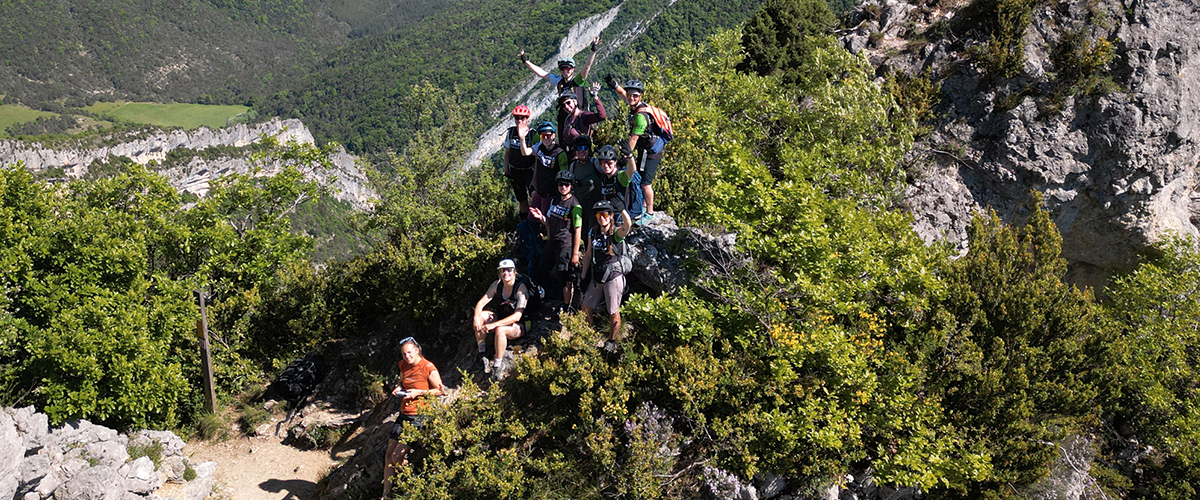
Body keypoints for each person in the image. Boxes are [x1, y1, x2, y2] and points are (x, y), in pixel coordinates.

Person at [382, 337, 444, 499]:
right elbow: (404, 382)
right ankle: (386, 494)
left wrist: (419, 393)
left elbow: (439, 390)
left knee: (396, 456)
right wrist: (399, 388)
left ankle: (413, 485)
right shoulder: (402, 365)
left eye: (409, 352)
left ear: (417, 350)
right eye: (404, 354)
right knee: (389, 454)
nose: (407, 356)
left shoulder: (427, 367)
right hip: (404, 413)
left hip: (419, 416)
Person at [607, 77, 665, 225]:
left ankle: (650, 213)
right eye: (630, 94)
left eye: (635, 95)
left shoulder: (640, 116)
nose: (631, 98)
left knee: (646, 183)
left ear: (641, 96)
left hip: (651, 151)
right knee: (639, 177)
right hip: (646, 149)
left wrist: (625, 157)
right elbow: (623, 94)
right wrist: (614, 85)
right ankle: (643, 207)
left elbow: (633, 140)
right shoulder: (636, 105)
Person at [580, 200, 633, 346]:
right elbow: (589, 254)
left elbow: (627, 226)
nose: (602, 217)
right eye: (599, 214)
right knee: (586, 306)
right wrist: (583, 276)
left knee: (613, 312)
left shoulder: (615, 233)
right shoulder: (593, 232)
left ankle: (612, 340)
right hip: (597, 277)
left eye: (605, 214)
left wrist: (622, 210)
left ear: (610, 216)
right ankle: (589, 335)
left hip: (613, 277)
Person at [530, 170, 583, 310]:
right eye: (561, 184)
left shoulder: (575, 205)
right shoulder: (555, 200)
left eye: (566, 184)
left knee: (565, 277)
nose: (563, 187)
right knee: (542, 268)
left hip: (565, 245)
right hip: (552, 242)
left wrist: (575, 253)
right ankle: (546, 296)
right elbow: (548, 221)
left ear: (571, 185)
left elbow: (578, 229)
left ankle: (567, 307)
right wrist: (541, 217)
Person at [472, 259, 530, 379]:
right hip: (503, 317)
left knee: (500, 330)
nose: (506, 273)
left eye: (509, 270)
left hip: (520, 324)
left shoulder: (521, 289)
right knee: (481, 315)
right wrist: (476, 318)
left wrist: (494, 325)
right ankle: (482, 352)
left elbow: (517, 316)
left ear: (514, 272)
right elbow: (481, 302)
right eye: (503, 271)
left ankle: (498, 364)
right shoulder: (497, 285)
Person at [519, 37, 602, 108]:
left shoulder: (578, 81)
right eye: (562, 69)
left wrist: (593, 51)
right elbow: (542, 73)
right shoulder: (559, 81)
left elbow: (587, 66)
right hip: (565, 116)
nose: (566, 71)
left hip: (580, 117)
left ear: (573, 70)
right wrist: (526, 61)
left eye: (568, 68)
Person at [528, 121, 570, 222]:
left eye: (548, 135)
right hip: (539, 190)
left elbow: (565, 175)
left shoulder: (560, 153)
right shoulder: (540, 147)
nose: (545, 138)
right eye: (543, 136)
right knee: (531, 219)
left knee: (546, 221)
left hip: (551, 193)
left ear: (553, 135)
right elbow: (535, 164)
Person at [503, 105, 536, 218]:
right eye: (517, 118)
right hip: (515, 171)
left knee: (534, 196)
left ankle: (537, 223)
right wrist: (506, 168)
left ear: (527, 119)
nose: (519, 121)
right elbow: (508, 152)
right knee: (522, 199)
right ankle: (524, 224)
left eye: (522, 118)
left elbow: (537, 156)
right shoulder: (511, 133)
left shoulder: (533, 134)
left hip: (529, 171)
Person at [555, 82, 606, 147]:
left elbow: (602, 116)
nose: (566, 107)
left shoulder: (583, 116)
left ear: (575, 101)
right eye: (563, 105)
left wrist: (595, 97)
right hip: (569, 155)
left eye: (568, 103)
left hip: (581, 154)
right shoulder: (567, 119)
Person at [571, 136, 602, 237]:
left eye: (584, 148)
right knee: (580, 231)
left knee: (592, 231)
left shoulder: (595, 163)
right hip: (579, 204)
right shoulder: (573, 166)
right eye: (578, 149)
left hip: (595, 203)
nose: (581, 151)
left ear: (589, 149)